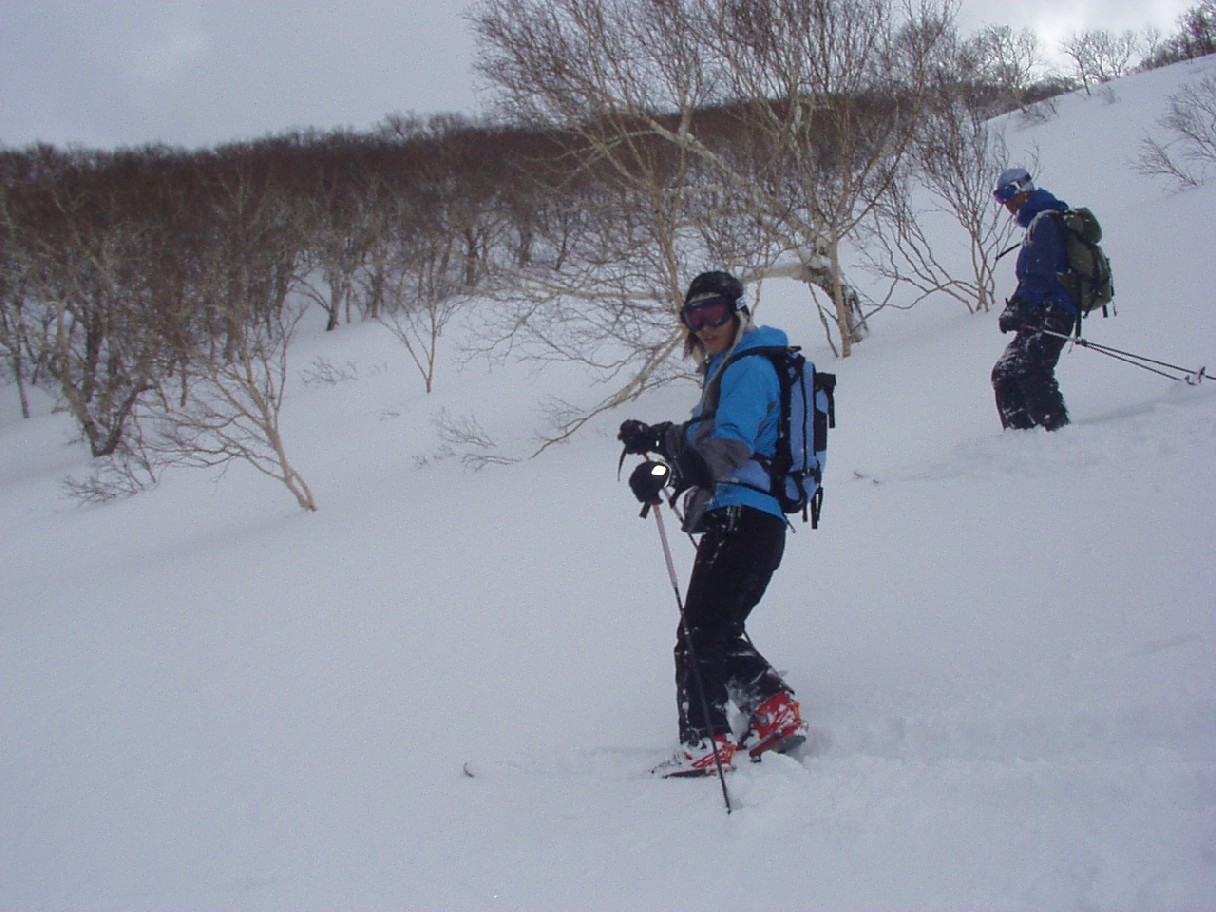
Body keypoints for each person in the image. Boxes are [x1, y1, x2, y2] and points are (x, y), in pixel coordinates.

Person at [618, 270, 808, 778]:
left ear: (738, 313)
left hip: (743, 519)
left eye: (714, 313)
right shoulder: (732, 369)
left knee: (697, 634)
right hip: (752, 522)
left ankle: (705, 742)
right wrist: (656, 438)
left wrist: (666, 474)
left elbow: (729, 447)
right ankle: (773, 710)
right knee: (717, 628)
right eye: (693, 316)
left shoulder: (748, 369)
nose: (704, 326)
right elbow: (707, 433)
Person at [991, 167, 1076, 432]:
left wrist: (1019, 307)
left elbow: (1040, 275)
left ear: (1023, 191)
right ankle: (1021, 437)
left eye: (1007, 195)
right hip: (1042, 309)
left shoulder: (1045, 222)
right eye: (999, 198)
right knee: (1005, 373)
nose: (1005, 204)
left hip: (1056, 308)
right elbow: (1033, 277)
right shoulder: (1036, 223)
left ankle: (1055, 431)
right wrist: (1020, 307)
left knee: (1031, 368)